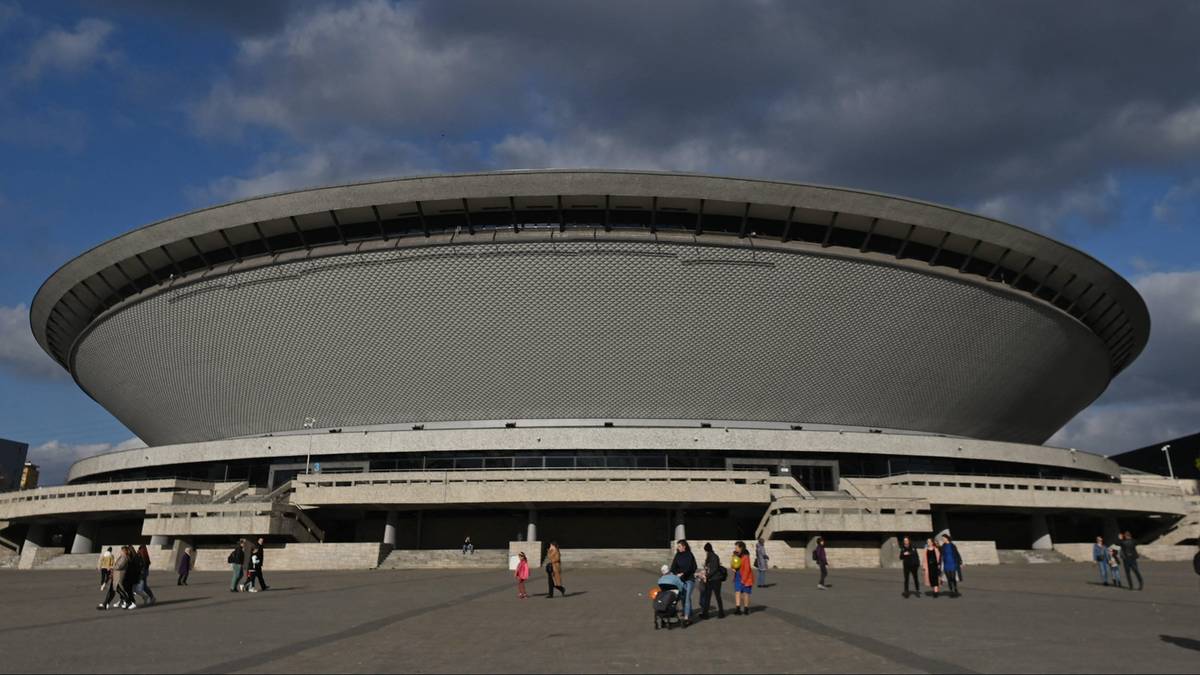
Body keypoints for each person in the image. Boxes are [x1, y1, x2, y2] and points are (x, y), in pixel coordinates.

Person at [669, 539, 698, 626]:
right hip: (681, 580)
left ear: (684, 546)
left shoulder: (689, 555)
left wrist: (683, 573)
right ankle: (689, 611)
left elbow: (691, 567)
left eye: (679, 546)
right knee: (683, 597)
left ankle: (686, 617)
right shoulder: (677, 555)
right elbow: (673, 567)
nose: (678, 548)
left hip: (689, 579)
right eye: (677, 546)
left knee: (687, 597)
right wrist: (676, 573)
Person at [699, 542, 725, 619]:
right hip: (714, 579)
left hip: (714, 579)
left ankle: (706, 614)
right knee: (716, 596)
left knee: (710, 597)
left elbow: (714, 569)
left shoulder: (712, 557)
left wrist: (706, 575)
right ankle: (720, 613)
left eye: (706, 551)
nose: (706, 552)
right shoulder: (713, 556)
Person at [98, 546, 130, 610]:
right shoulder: (122, 557)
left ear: (124, 551)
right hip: (116, 576)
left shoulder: (124, 557)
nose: (120, 552)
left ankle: (128, 601)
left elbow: (119, 566)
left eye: (121, 550)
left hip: (118, 576)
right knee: (112, 590)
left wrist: (112, 567)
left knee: (118, 589)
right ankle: (105, 604)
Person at [731, 540, 754, 614]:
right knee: (737, 592)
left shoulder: (746, 556)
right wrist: (733, 568)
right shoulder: (735, 555)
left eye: (737, 547)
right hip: (737, 575)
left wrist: (743, 580)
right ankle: (737, 608)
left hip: (746, 577)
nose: (735, 549)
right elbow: (733, 563)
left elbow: (747, 569)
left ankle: (746, 608)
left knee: (745, 593)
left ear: (741, 548)